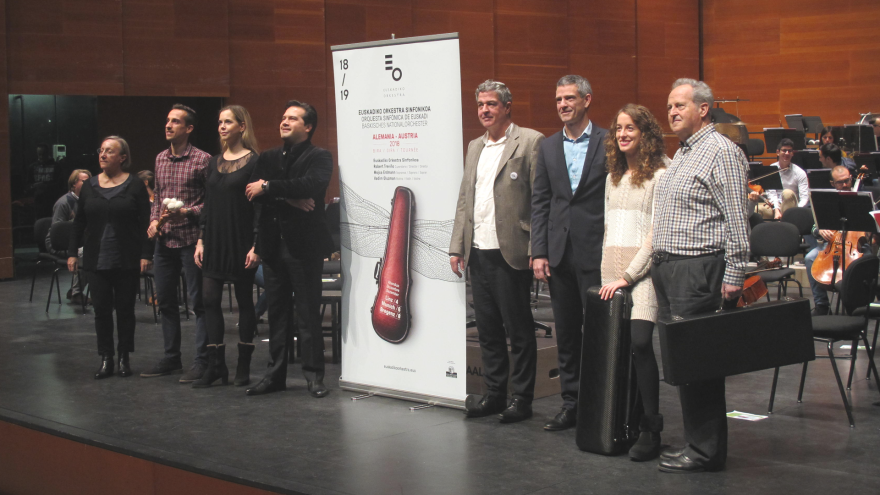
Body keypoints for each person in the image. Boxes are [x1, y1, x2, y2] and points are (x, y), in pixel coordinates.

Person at [652, 78, 749, 473]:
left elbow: (736, 217)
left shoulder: (720, 152)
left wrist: (736, 271)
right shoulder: (686, 151)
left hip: (697, 270)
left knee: (700, 365)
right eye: (670, 105)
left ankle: (706, 451)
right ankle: (697, 443)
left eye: (680, 105)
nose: (672, 112)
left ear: (704, 109)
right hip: (672, 269)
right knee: (685, 364)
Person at [449, 80, 544, 423]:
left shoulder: (530, 141)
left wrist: (538, 248)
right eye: (480, 105)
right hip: (479, 250)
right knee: (487, 329)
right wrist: (457, 246)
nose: (484, 111)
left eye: (491, 104)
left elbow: (539, 199)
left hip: (513, 250)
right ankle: (494, 393)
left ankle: (521, 398)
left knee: (518, 330)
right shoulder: (474, 146)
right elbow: (465, 200)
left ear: (507, 107)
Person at [531, 75, 608, 432]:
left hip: (597, 251)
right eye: (558, 99)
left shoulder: (609, 141)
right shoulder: (547, 147)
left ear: (587, 100)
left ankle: (600, 404)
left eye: (569, 98)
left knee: (598, 332)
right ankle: (571, 403)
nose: (562, 104)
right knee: (566, 332)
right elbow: (541, 201)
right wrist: (539, 252)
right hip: (559, 254)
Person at [244, 100, 334, 398]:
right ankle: (274, 376)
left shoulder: (319, 156)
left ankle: (313, 376)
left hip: (304, 246)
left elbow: (311, 185)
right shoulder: (268, 157)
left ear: (308, 126)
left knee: (308, 312)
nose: (284, 121)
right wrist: (286, 197)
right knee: (278, 314)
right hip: (271, 245)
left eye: (292, 118)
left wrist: (270, 188)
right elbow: (251, 193)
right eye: (283, 117)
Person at [598, 104, 667, 461]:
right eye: (619, 128)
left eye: (631, 128)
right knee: (619, 349)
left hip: (642, 276)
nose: (623, 134)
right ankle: (621, 422)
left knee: (641, 343)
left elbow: (655, 237)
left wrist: (628, 276)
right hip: (612, 275)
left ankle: (650, 429)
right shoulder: (613, 177)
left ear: (646, 134)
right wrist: (609, 276)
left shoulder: (660, 174)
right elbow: (610, 231)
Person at [68, 137, 152, 379]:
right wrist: (73, 253)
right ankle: (106, 358)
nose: (103, 155)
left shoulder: (135, 185)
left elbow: (145, 222)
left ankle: (124, 356)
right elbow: (78, 223)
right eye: (101, 150)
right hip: (97, 259)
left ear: (122, 157)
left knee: (125, 310)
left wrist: (146, 254)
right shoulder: (89, 186)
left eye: (109, 151)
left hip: (126, 258)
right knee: (101, 311)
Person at [192, 105, 261, 388]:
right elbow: (207, 204)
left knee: (245, 302)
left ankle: (243, 365)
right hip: (215, 239)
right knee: (209, 300)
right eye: (219, 122)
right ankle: (216, 365)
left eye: (228, 122)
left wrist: (257, 245)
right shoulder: (212, 162)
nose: (221, 126)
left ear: (242, 126)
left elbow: (259, 208)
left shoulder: (255, 161)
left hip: (241, 238)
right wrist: (200, 239)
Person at [141, 104, 211, 383]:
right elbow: (158, 197)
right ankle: (172, 358)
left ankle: (202, 360)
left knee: (198, 303)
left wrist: (188, 212)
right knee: (166, 302)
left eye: (175, 122)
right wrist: (154, 220)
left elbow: (212, 201)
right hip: (165, 241)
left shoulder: (203, 160)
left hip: (192, 241)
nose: (168, 125)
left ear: (189, 128)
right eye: (167, 120)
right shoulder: (160, 159)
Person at [803, 166, 861, 316]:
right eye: (840, 182)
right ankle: (822, 305)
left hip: (857, 246)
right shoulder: (827, 201)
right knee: (809, 257)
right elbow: (814, 227)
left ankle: (855, 306)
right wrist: (820, 230)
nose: (845, 185)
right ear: (832, 183)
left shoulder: (862, 198)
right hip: (834, 244)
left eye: (847, 181)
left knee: (862, 262)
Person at [49, 169, 91, 304]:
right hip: (59, 245)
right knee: (87, 253)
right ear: (73, 184)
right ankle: (76, 293)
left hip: (79, 243)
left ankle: (78, 290)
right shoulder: (63, 203)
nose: (88, 184)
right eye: (84, 181)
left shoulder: (88, 201)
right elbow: (57, 231)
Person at [749, 138, 808, 219]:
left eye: (790, 151)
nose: (787, 153)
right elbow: (772, 193)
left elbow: (804, 198)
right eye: (784, 150)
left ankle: (786, 220)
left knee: (787, 193)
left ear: (792, 153)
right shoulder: (771, 169)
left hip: (792, 207)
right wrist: (777, 210)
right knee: (756, 210)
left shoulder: (800, 172)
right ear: (778, 152)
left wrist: (796, 211)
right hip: (775, 206)